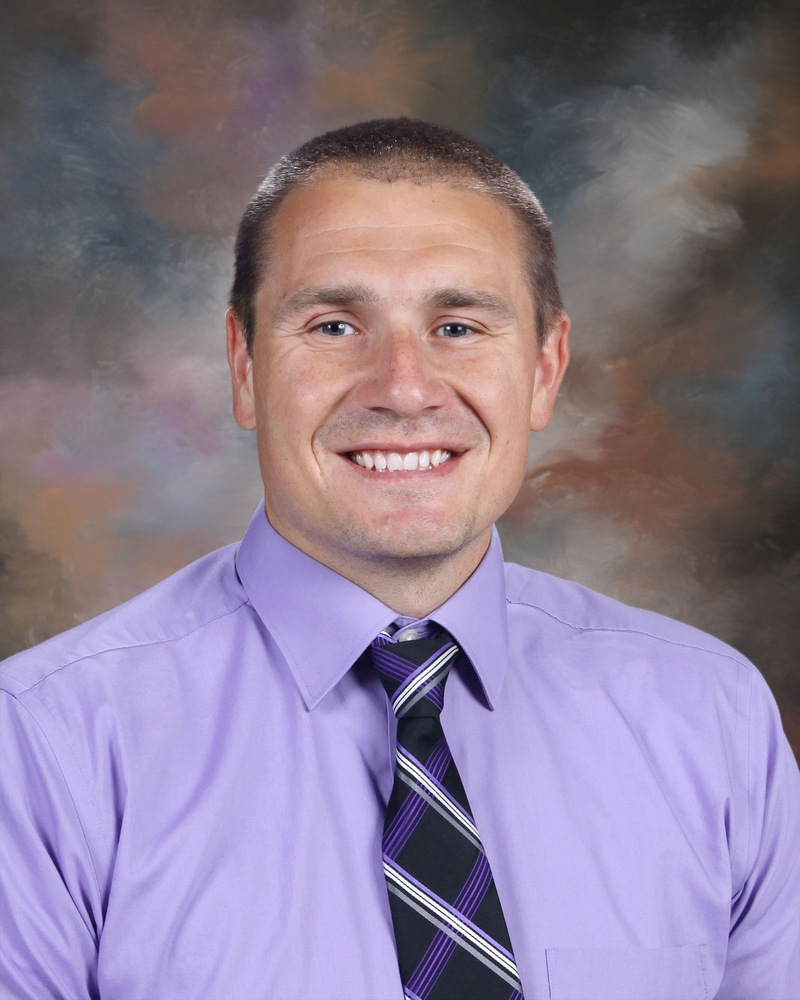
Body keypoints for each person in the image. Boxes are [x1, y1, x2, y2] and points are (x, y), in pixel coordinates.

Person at [1, 118, 798, 1000]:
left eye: (457, 326)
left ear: (544, 369)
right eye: (337, 325)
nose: (405, 389)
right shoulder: (45, 744)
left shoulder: (710, 719)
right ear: (244, 365)